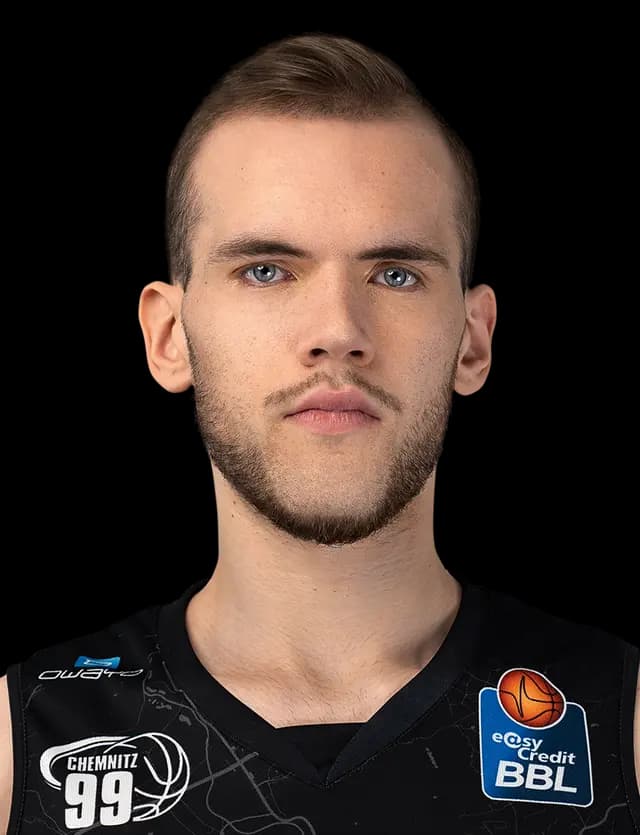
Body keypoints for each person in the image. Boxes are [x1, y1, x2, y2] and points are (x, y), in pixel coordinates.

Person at [1, 32, 638, 834]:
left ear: (472, 341)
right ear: (169, 337)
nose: (338, 330)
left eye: (395, 274)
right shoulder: (21, 741)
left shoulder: (621, 721)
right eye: (266, 270)